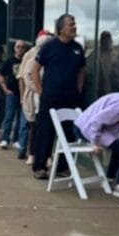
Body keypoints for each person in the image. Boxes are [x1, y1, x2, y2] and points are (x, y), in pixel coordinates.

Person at [30, 15, 86, 179]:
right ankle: (40, 167)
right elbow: (34, 71)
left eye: (74, 24)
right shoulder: (49, 47)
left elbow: (81, 71)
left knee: (69, 133)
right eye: (70, 24)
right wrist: (41, 92)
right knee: (45, 133)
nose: (74, 27)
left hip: (71, 99)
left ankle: (62, 167)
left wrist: (79, 89)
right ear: (61, 29)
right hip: (50, 98)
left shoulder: (77, 48)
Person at [73, 92, 119, 198]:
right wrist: (94, 142)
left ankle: (110, 179)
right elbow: (96, 121)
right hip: (88, 128)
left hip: (92, 127)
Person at [18, 30, 52, 162]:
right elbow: (23, 76)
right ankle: (29, 152)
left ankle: (46, 155)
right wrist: (24, 95)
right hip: (33, 96)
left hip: (47, 95)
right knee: (32, 126)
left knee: (46, 127)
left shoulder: (52, 58)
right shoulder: (31, 56)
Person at [0, 39, 27, 149]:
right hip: (12, 93)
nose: (20, 49)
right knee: (9, 116)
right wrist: (5, 89)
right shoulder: (9, 61)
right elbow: (1, 75)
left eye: (22, 47)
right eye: (18, 46)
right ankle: (5, 139)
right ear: (14, 48)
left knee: (21, 118)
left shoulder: (26, 61)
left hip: (24, 94)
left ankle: (16, 139)